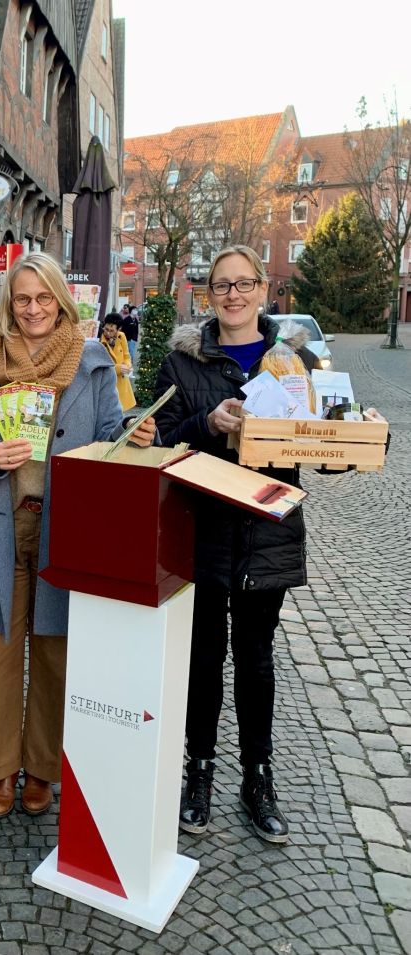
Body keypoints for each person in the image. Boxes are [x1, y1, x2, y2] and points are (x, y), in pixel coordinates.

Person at [0, 252, 156, 818]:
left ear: (62, 301)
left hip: (67, 526)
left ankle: (42, 768)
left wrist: (135, 432)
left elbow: (113, 432)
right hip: (1, 521)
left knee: (57, 652)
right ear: (9, 306)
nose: (34, 309)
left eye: (44, 298)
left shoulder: (93, 362)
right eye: (23, 299)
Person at [153, 244, 319, 845]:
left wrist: (339, 449)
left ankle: (258, 777)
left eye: (243, 283)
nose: (233, 294)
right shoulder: (183, 363)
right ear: (210, 295)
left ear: (261, 290)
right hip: (203, 529)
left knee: (255, 658)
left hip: (267, 533)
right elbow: (159, 438)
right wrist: (207, 424)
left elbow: (322, 439)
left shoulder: (296, 359)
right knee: (202, 657)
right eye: (222, 285)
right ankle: (198, 773)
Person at [100, 313, 136, 411]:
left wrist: (127, 366)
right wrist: (118, 368)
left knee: (121, 414)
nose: (108, 333)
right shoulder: (99, 340)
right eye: (106, 329)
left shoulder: (121, 336)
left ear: (118, 329)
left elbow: (127, 356)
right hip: (107, 383)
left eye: (112, 331)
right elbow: (101, 365)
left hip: (121, 382)